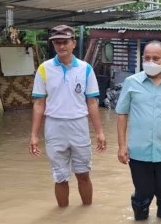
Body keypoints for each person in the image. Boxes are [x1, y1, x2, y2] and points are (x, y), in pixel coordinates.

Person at [29, 25, 107, 207]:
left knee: (83, 173)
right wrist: (34, 135)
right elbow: (39, 103)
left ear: (73, 43)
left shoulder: (85, 69)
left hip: (79, 125)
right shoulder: (44, 69)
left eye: (65, 42)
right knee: (60, 176)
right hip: (54, 127)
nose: (61, 46)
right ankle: (61, 217)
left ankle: (86, 212)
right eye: (57, 43)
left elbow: (92, 103)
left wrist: (100, 132)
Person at [115, 41, 161, 221]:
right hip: (139, 152)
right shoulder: (131, 82)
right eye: (147, 58)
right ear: (142, 59)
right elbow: (122, 114)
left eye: (156, 58)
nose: (151, 62)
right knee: (142, 195)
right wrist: (122, 146)